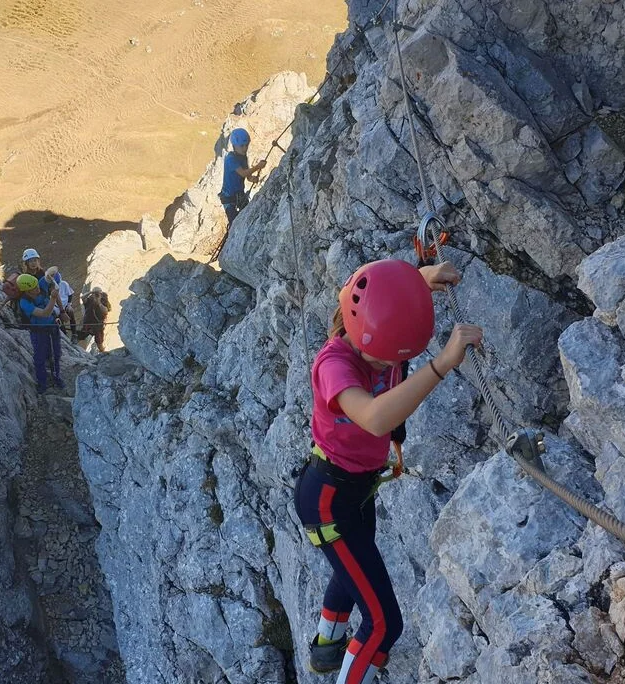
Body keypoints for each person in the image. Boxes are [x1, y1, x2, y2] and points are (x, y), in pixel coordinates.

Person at [294, 258, 483, 684]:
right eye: (379, 362)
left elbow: (382, 299)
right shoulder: (333, 365)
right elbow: (375, 418)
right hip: (327, 499)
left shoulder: (372, 330)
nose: (384, 368)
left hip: (354, 489)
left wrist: (417, 284)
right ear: (361, 338)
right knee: (384, 625)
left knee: (353, 568)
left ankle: (327, 647)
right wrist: (442, 363)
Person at [14, 273, 64, 394]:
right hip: (39, 332)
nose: (38, 289)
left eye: (37, 286)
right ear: (27, 292)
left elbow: (52, 272)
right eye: (34, 289)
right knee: (40, 358)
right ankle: (42, 383)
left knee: (56, 354)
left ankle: (56, 377)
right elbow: (44, 313)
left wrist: (50, 276)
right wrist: (52, 298)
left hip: (52, 327)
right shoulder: (24, 303)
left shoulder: (39, 284)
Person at [218, 127, 266, 224]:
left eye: (246, 145)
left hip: (239, 196)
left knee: (247, 218)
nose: (245, 148)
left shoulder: (243, 157)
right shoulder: (230, 159)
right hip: (229, 199)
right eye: (242, 146)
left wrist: (253, 179)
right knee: (234, 223)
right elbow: (243, 173)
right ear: (235, 146)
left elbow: (248, 176)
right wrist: (257, 166)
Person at [46, 266, 78, 339]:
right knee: (57, 319)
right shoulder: (50, 286)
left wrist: (69, 304)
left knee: (71, 312)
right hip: (56, 307)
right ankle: (64, 335)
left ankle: (74, 334)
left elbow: (70, 294)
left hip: (65, 305)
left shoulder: (64, 284)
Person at [78, 287, 110, 353]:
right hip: (88, 323)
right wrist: (91, 292)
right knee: (80, 336)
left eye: (97, 293)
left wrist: (99, 301)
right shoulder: (90, 299)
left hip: (98, 325)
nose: (95, 295)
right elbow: (83, 298)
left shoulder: (104, 300)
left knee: (99, 341)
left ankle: (102, 351)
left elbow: (105, 311)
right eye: (94, 293)